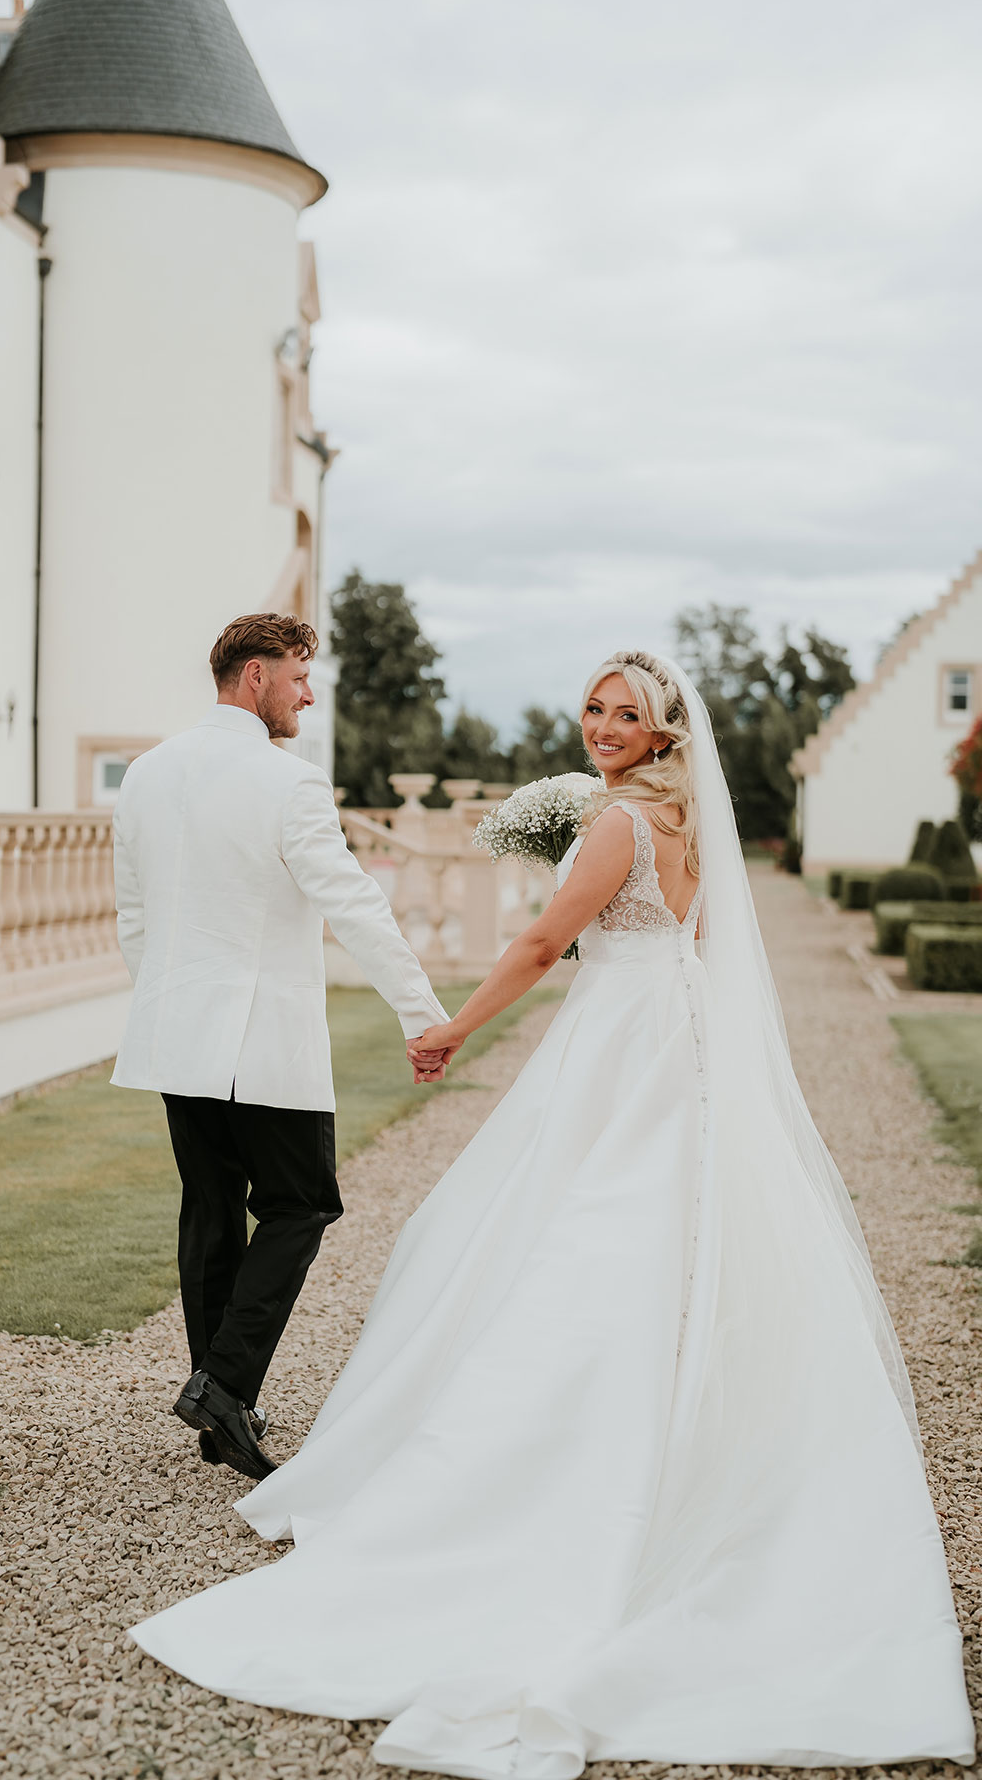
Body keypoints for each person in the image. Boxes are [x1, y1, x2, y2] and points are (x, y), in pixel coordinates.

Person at [129, 650, 975, 1778]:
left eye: (627, 714)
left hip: (614, 1045)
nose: (603, 726)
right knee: (655, 1240)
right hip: (666, 1039)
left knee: (560, 1242)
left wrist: (448, 1031)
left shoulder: (620, 825)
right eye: (594, 707)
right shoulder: (688, 830)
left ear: (667, 732)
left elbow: (537, 947)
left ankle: (556, 1471)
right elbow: (703, 953)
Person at [111, 612, 450, 1484]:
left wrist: (169, 1002)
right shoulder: (287, 782)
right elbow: (355, 904)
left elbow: (135, 917)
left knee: (213, 1211)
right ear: (255, 677)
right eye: (300, 675)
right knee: (303, 1204)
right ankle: (223, 1387)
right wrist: (421, 1013)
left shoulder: (145, 774)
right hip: (262, 1036)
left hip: (176, 1033)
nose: (307, 693)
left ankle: (220, 1404)